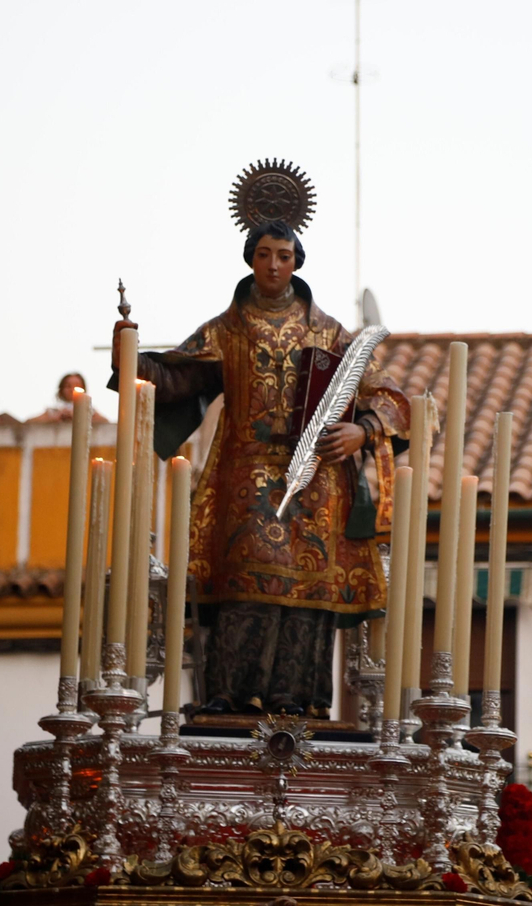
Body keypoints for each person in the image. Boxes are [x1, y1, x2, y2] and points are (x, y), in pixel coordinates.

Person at [113, 219, 408, 718]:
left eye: (284, 256)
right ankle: (233, 693)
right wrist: (130, 355)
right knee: (245, 579)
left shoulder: (328, 331)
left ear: (297, 262)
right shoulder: (226, 329)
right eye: (265, 254)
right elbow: (177, 377)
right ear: (251, 259)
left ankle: (300, 698)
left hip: (317, 479)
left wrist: (363, 431)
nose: (274, 265)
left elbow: (387, 395)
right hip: (246, 477)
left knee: (308, 589)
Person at [27, 372, 111, 424]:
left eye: (77, 386)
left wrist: (80, 418)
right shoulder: (54, 411)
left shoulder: (89, 411)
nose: (72, 389)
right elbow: (29, 422)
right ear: (61, 390)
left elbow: (105, 422)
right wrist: (54, 418)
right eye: (68, 386)